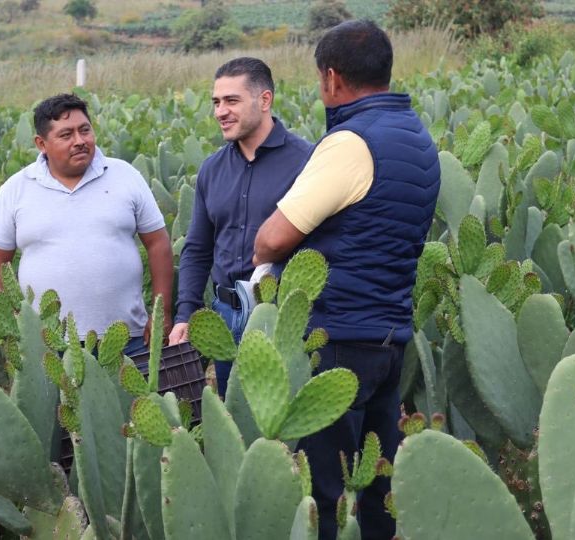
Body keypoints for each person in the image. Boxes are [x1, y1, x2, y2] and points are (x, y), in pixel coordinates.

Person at [253, 21, 441, 540]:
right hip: (389, 336)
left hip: (337, 337)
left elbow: (272, 237)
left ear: (332, 78)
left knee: (324, 494)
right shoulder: (418, 136)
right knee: (378, 487)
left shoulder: (352, 143)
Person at [0, 93, 174, 356]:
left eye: (85, 130)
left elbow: (158, 243)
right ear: (41, 143)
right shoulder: (16, 189)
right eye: (66, 135)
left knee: (137, 399)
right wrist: (19, 324)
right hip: (49, 341)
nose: (80, 141)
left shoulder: (125, 175)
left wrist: (161, 312)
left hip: (129, 337)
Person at [167, 57, 311, 397]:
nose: (220, 111)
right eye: (216, 102)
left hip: (283, 320)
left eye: (232, 101)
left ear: (264, 100)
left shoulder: (306, 161)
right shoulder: (212, 170)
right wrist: (185, 312)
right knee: (237, 420)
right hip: (227, 318)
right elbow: (197, 249)